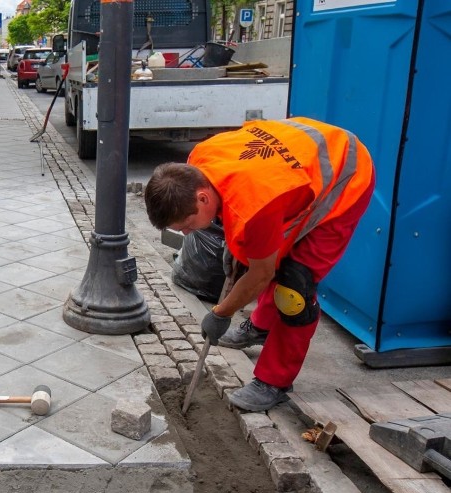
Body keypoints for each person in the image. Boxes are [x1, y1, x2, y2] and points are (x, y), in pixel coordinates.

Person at [144, 117, 375, 411]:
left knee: (294, 290)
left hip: (346, 179)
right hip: (298, 168)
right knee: (265, 253)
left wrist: (221, 312)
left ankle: (274, 381)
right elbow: (239, 210)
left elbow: (261, 274)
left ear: (202, 197)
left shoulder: (254, 207)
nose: (188, 233)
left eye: (187, 224)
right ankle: (261, 326)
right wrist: (239, 244)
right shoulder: (198, 161)